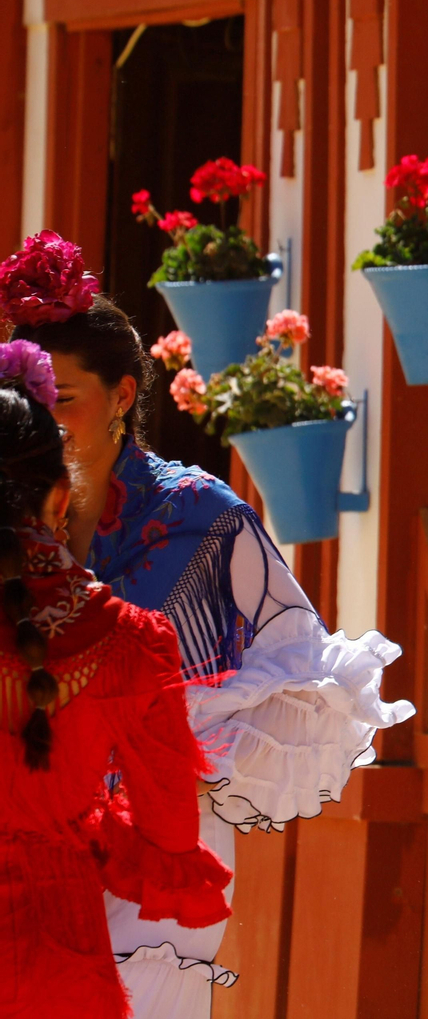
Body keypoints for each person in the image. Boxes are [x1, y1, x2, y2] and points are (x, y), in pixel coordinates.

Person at [7, 230, 415, 1016]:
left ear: (124, 396)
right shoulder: (12, 522)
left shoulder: (203, 514)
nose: (44, 419)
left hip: (159, 845)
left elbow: (301, 658)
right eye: (30, 399)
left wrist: (195, 725)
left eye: (63, 398)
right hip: (31, 845)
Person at [0, 341, 232, 1019]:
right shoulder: (128, 643)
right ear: (57, 496)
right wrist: (85, 822)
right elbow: (168, 832)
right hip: (57, 960)